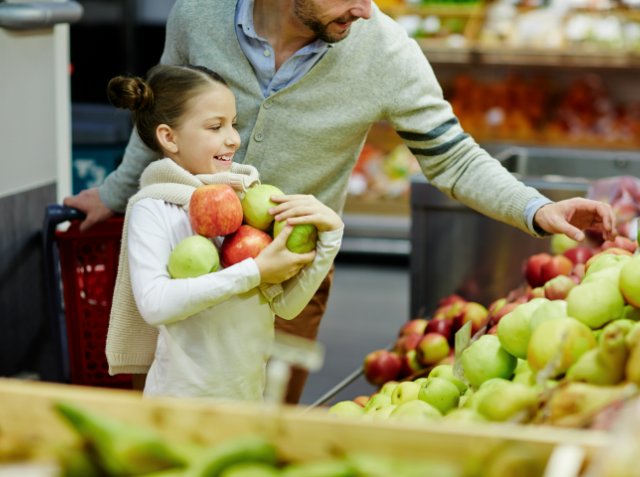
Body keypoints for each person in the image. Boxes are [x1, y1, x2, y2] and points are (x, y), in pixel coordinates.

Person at [64, 0, 617, 403]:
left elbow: (453, 156)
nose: (366, 10)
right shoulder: (198, 16)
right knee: (166, 416)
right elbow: (160, 116)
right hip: (179, 260)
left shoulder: (385, 51)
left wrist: (537, 208)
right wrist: (113, 195)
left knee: (262, 430)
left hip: (286, 275)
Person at [104, 64, 343, 399]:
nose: (233, 138)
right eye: (215, 126)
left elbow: (286, 307)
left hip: (248, 399)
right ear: (168, 137)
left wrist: (331, 237)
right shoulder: (154, 208)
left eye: (233, 124)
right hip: (181, 406)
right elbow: (156, 304)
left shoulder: (244, 202)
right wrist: (254, 271)